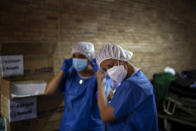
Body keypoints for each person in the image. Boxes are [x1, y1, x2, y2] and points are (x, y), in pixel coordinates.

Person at [95, 43, 159, 131]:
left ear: (123, 59)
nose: (110, 72)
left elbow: (105, 115)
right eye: (105, 69)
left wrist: (100, 83)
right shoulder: (139, 78)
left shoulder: (131, 85)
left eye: (110, 65)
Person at [45, 42, 105, 131]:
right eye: (74, 56)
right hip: (69, 126)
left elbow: (107, 100)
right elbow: (48, 92)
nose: (77, 59)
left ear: (89, 58)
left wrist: (100, 76)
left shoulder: (98, 76)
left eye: (81, 56)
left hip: (92, 127)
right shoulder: (70, 73)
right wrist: (62, 70)